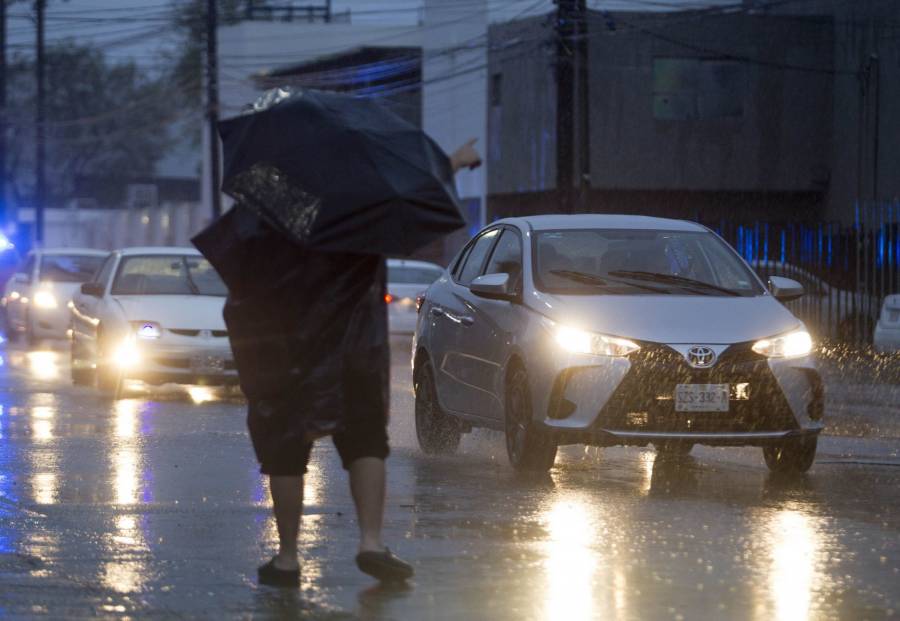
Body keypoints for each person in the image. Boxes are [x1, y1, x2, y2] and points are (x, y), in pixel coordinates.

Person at [225, 139, 482, 588]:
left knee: (285, 450)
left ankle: (286, 559)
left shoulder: (269, 208)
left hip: (284, 349)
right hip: (352, 349)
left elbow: (237, 271)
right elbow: (417, 201)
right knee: (365, 442)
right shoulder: (360, 208)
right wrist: (451, 164)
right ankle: (370, 542)